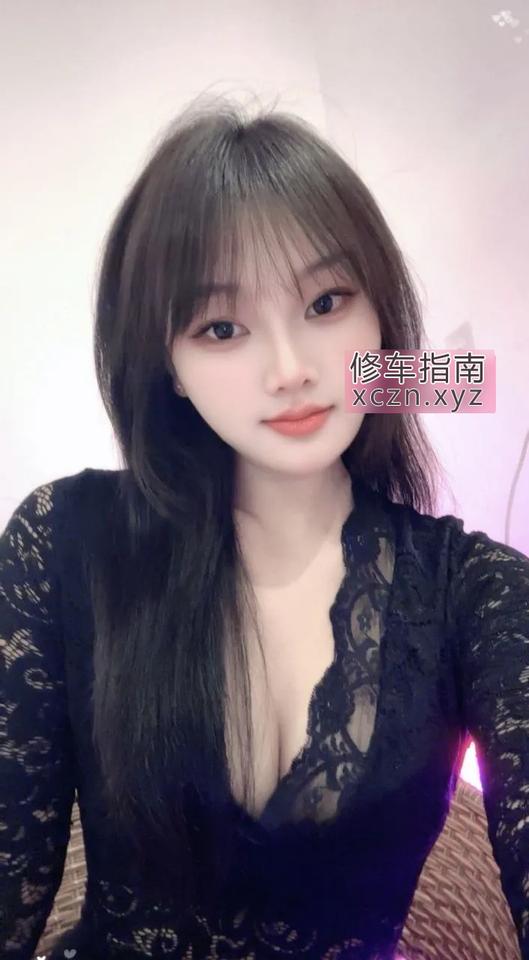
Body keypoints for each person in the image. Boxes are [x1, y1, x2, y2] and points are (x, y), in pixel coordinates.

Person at [0, 94, 527, 960]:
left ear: (378, 315)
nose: (289, 370)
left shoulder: (475, 591)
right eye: (222, 327)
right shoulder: (62, 542)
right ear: (167, 365)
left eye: (325, 302)